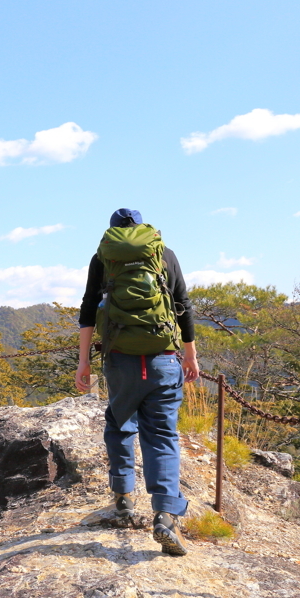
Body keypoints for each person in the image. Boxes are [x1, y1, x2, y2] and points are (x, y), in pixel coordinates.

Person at [75, 208, 199, 556]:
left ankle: (123, 498)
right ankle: (165, 516)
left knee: (118, 423)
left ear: (113, 234)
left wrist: (84, 362)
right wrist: (189, 354)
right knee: (161, 434)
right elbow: (183, 306)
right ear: (143, 228)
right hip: (162, 359)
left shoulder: (102, 258)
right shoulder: (165, 254)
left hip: (120, 360)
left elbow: (88, 309)